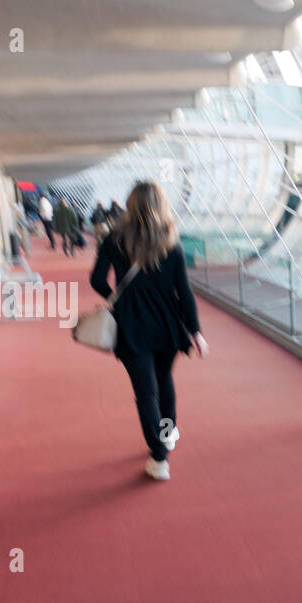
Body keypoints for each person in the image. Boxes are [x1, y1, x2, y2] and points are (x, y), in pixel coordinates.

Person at [90, 181, 209, 481]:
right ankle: (165, 439)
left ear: (130, 205)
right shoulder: (171, 242)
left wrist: (116, 299)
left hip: (131, 326)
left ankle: (159, 457)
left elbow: (97, 280)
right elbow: (185, 292)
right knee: (165, 382)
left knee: (146, 393)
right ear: (161, 205)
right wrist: (195, 331)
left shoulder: (114, 240)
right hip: (168, 325)